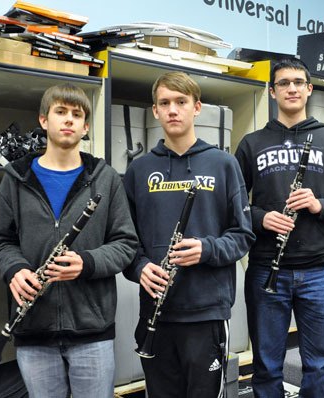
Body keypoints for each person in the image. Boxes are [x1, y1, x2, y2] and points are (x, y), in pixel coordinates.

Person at [0, 83, 139, 398]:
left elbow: (126, 244)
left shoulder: (106, 177)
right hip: (33, 327)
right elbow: (2, 240)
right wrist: (15, 270)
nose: (69, 120)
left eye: (77, 114)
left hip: (92, 332)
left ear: (86, 127)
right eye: (61, 111)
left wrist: (86, 263)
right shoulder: (15, 178)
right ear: (44, 120)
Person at [235, 58, 324, 397]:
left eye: (297, 82)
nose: (291, 88)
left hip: (320, 270)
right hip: (266, 268)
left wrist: (320, 204)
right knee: (266, 365)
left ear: (309, 89)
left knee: (319, 364)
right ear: (273, 91)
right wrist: (261, 218)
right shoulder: (251, 143)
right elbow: (231, 207)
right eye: (283, 83)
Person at [122, 71, 255, 398]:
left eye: (181, 102)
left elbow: (243, 235)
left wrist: (206, 249)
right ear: (155, 111)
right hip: (156, 312)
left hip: (206, 313)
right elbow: (124, 241)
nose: (172, 110)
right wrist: (139, 268)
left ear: (197, 107)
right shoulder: (138, 170)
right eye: (164, 103)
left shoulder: (223, 164)